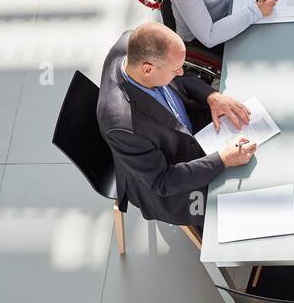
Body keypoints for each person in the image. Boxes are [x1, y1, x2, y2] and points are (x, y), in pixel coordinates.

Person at [97, 23, 256, 228]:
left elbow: (183, 78)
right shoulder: (124, 126)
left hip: (189, 131)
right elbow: (163, 181)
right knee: (244, 205)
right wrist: (222, 160)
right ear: (148, 69)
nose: (182, 72)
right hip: (171, 184)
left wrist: (211, 96)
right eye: (176, 70)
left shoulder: (131, 43)